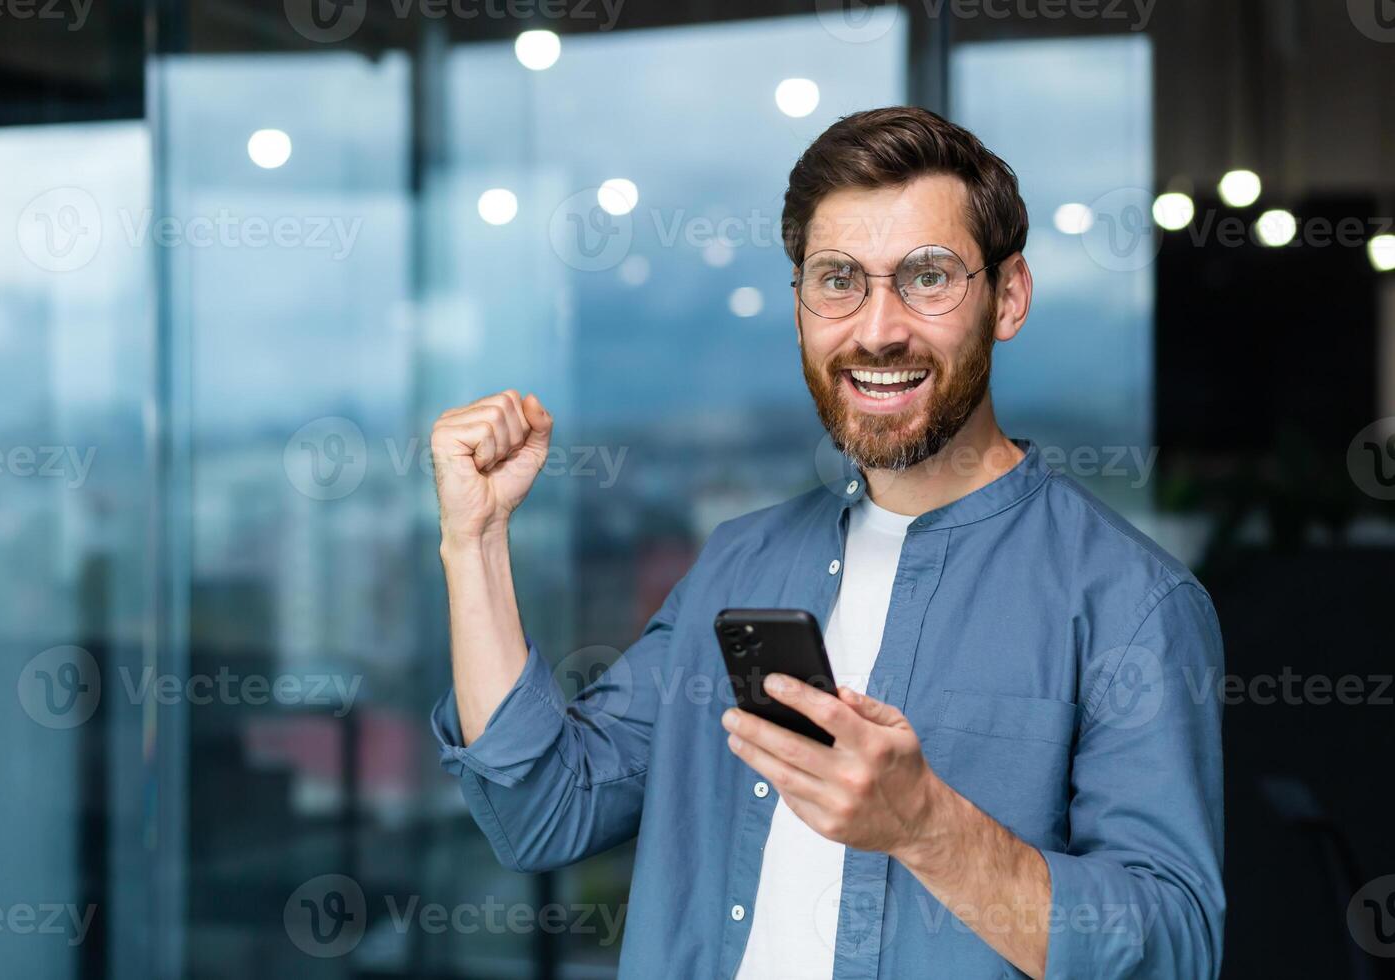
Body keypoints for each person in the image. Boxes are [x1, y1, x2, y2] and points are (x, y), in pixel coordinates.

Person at [427, 106, 1224, 979]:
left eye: (927, 277)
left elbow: (1172, 953)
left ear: (1010, 297)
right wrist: (476, 542)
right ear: (802, 305)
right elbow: (546, 805)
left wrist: (927, 825)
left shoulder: (1131, 604)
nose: (878, 329)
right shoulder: (737, 563)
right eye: (839, 279)